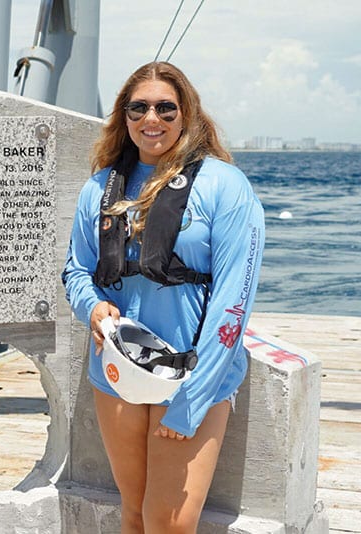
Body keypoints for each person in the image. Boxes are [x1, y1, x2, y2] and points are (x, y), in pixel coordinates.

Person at [62, 62, 265, 533]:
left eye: (165, 107)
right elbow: (76, 270)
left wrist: (192, 398)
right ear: (124, 115)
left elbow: (234, 301)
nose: (151, 118)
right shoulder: (100, 188)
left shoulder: (225, 187)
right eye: (139, 107)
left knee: (169, 523)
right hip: (116, 369)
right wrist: (91, 306)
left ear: (186, 113)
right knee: (133, 512)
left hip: (192, 373)